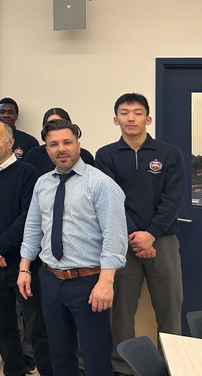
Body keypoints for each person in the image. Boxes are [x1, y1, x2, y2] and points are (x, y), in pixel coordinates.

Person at [19, 119, 127, 376]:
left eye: (67, 142)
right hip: (50, 279)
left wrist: (106, 281)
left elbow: (114, 237)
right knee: (59, 352)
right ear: (47, 149)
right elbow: (34, 228)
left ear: (78, 144)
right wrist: (25, 268)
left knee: (95, 355)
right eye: (54, 144)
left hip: (89, 283)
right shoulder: (42, 183)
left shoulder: (101, 184)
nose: (61, 149)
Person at [95, 93, 185, 375]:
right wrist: (136, 235)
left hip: (164, 242)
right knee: (121, 310)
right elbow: (110, 201)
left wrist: (151, 234)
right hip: (123, 244)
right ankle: (123, 367)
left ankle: (173, 363)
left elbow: (173, 200)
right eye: (124, 112)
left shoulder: (169, 154)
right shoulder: (106, 155)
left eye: (136, 113)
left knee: (170, 308)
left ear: (148, 118)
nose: (130, 118)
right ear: (115, 119)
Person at [0, 120, 52, 376]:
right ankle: (13, 370)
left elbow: (28, 217)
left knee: (36, 325)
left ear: (10, 143)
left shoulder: (28, 173)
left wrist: (0, 248)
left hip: (23, 263)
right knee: (2, 323)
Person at [23, 108, 95, 174]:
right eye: (50, 125)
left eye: (67, 143)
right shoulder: (33, 156)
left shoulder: (85, 156)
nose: (61, 149)